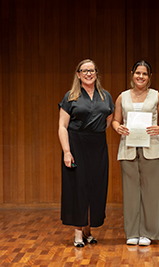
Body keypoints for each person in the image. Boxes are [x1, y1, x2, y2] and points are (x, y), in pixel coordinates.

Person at [112, 60, 159, 246]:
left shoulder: (157, 97)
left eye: (144, 74)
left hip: (152, 149)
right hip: (128, 148)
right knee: (130, 193)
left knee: (150, 193)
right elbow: (115, 120)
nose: (141, 77)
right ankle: (132, 233)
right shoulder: (122, 97)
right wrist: (118, 128)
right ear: (132, 74)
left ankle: (147, 233)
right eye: (138, 73)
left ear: (149, 77)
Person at [58, 59, 114, 247]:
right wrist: (67, 151)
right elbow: (62, 126)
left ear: (97, 73)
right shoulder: (70, 96)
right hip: (76, 144)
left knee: (96, 187)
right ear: (78, 74)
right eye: (84, 70)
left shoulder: (106, 96)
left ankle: (88, 230)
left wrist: (95, 131)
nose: (88, 74)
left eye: (92, 70)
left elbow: (109, 119)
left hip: (98, 145)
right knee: (78, 188)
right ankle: (78, 234)